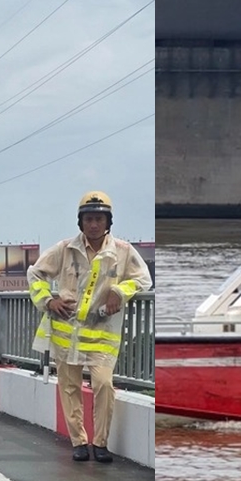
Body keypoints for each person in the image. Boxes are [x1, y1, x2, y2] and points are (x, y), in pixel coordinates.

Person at [27, 191, 152, 464]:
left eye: (98, 218)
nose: (93, 224)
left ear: (108, 221)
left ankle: (101, 443)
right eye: (88, 219)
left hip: (102, 335)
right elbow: (35, 273)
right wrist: (49, 300)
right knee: (69, 388)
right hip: (66, 333)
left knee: (104, 385)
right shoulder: (64, 249)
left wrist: (119, 291)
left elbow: (143, 280)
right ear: (80, 222)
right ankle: (79, 442)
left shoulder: (122, 251)